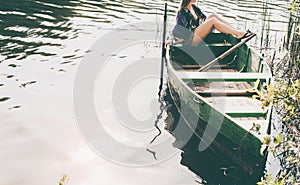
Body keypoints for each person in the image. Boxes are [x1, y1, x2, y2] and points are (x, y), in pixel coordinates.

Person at [172, 0, 254, 46]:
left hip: (196, 34)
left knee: (212, 16)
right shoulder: (182, 12)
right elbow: (178, 29)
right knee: (213, 21)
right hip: (189, 40)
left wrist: (221, 28)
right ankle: (238, 33)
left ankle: (235, 31)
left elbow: (205, 20)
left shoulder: (194, 8)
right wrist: (174, 38)